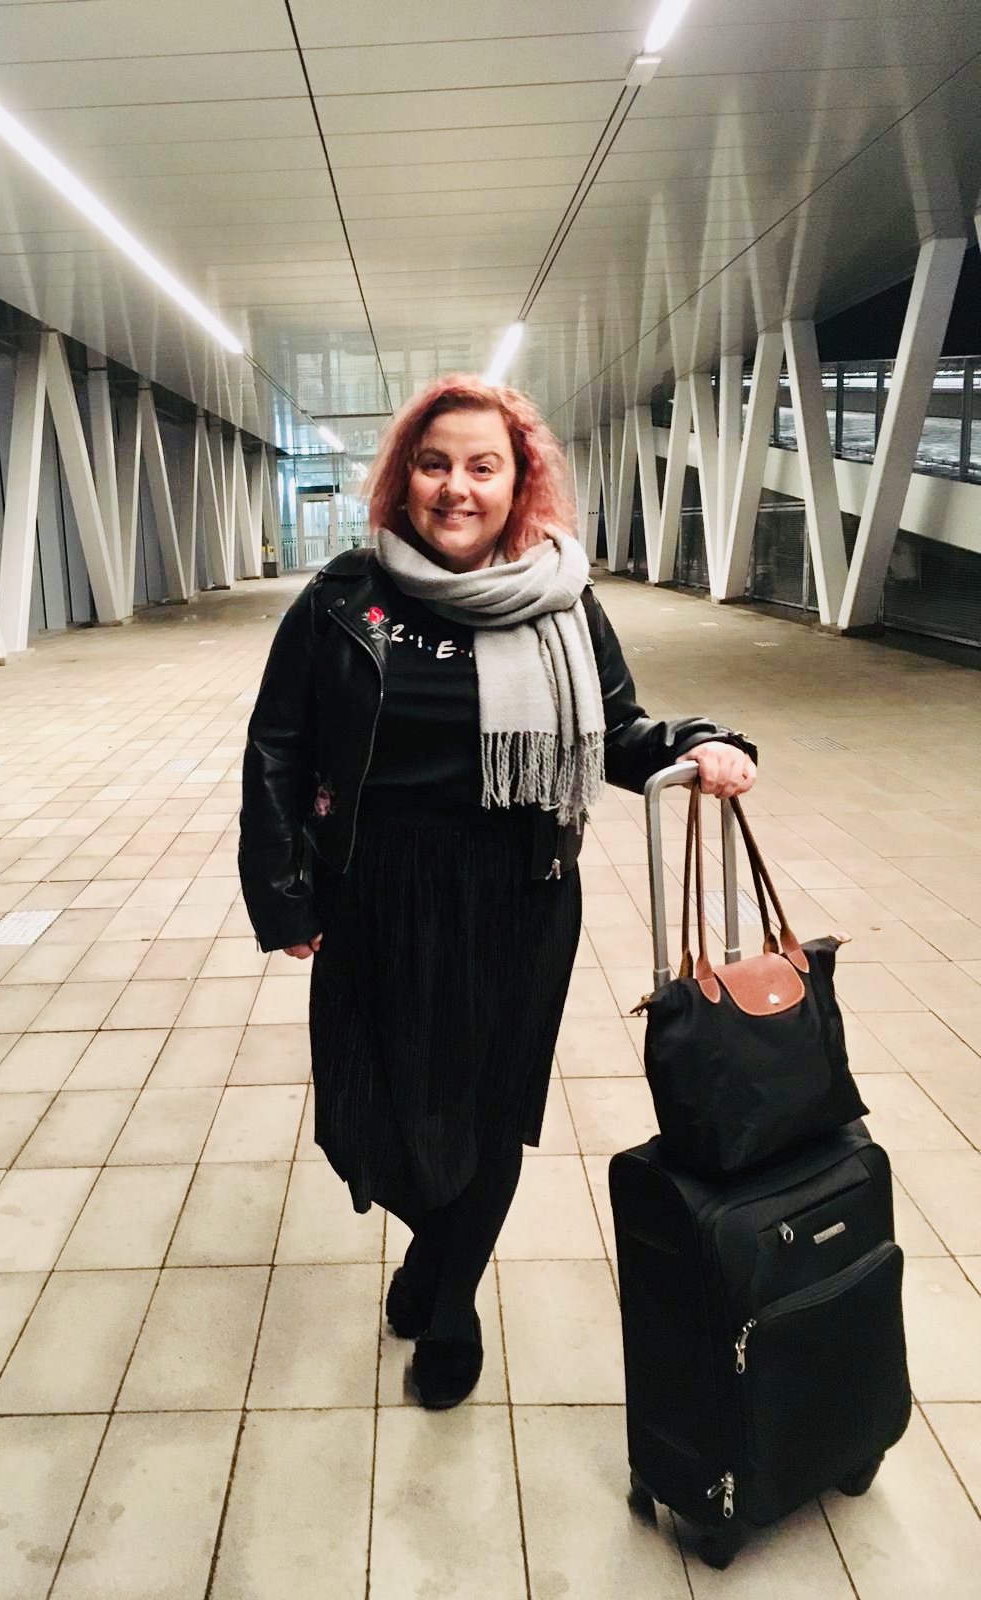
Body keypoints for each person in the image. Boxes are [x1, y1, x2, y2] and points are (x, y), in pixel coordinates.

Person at [238, 374, 757, 1410]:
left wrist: (696, 743)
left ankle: (451, 1298)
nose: (457, 487)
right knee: (376, 1106)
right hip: (375, 894)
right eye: (435, 464)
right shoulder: (344, 597)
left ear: (518, 482)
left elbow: (615, 728)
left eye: (484, 466)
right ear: (405, 477)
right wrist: (285, 894)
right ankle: (434, 1244)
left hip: (519, 895)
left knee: (485, 1114)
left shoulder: (560, 597)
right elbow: (278, 748)